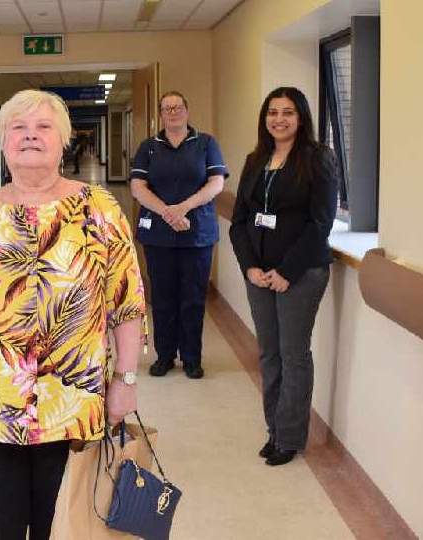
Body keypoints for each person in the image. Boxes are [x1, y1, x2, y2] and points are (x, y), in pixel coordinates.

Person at [0, 90, 146, 540]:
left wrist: (125, 383)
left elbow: (127, 304)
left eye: (43, 127)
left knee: (68, 526)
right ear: (4, 142)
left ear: (63, 141)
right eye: (19, 128)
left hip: (76, 404)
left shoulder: (100, 209)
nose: (31, 135)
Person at [229, 87, 338, 466]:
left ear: (302, 117)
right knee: (269, 354)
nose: (279, 119)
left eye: (288, 112)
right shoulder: (256, 159)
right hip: (259, 275)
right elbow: (240, 220)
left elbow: (320, 223)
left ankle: (290, 438)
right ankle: (274, 429)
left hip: (301, 274)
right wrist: (251, 267)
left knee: (293, 356)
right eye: (272, 112)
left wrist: (287, 272)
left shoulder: (318, 159)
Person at [130, 91, 228, 380]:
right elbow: (138, 187)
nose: (172, 112)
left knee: (193, 297)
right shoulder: (149, 147)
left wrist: (182, 208)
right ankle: (164, 356)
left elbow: (216, 183)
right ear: (160, 115)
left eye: (177, 107)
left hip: (196, 232)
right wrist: (167, 213)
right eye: (166, 109)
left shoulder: (207, 143)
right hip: (158, 235)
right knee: (162, 297)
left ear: (187, 110)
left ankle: (192, 358)